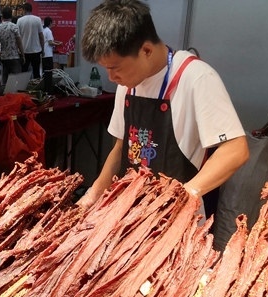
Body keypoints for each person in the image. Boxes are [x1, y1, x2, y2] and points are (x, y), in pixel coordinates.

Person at [77, 0, 249, 218]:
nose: (111, 78)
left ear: (146, 50)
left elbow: (235, 149)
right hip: (129, 214)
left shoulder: (196, 77)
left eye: (115, 68)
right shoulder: (127, 84)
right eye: (106, 69)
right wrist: (93, 194)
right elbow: (121, 148)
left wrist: (184, 196)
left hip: (176, 218)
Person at [0, 6, 24, 94]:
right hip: (14, 57)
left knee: (4, 80)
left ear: (2, 16)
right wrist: (23, 54)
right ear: (11, 15)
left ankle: (4, 96)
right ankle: (16, 96)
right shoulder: (14, 27)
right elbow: (19, 42)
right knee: (17, 80)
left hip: (4, 58)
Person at [16, 2, 44, 79]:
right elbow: (41, 36)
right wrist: (43, 49)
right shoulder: (37, 19)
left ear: (24, 10)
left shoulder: (20, 20)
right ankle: (37, 86)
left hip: (24, 51)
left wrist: (18, 49)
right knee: (36, 73)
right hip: (36, 51)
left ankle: (23, 86)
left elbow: (18, 37)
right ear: (31, 10)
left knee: (23, 73)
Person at [41, 16, 61, 93]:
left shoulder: (43, 30)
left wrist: (56, 42)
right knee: (49, 72)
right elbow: (50, 42)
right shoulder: (48, 31)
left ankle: (45, 88)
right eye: (52, 23)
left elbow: (49, 41)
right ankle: (49, 89)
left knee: (45, 72)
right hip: (48, 54)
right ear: (50, 23)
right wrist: (58, 44)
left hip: (44, 54)